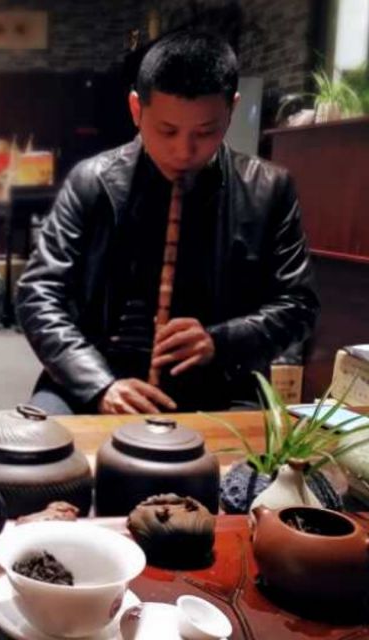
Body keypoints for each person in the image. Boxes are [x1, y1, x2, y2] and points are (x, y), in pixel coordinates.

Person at [16, 28, 320, 415]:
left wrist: (219, 342)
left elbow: (298, 305)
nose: (183, 151)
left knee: (251, 455)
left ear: (232, 109)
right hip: (92, 373)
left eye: (205, 131)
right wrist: (99, 384)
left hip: (220, 381)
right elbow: (38, 292)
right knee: (39, 445)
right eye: (167, 130)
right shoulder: (91, 181)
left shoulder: (269, 188)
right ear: (136, 109)